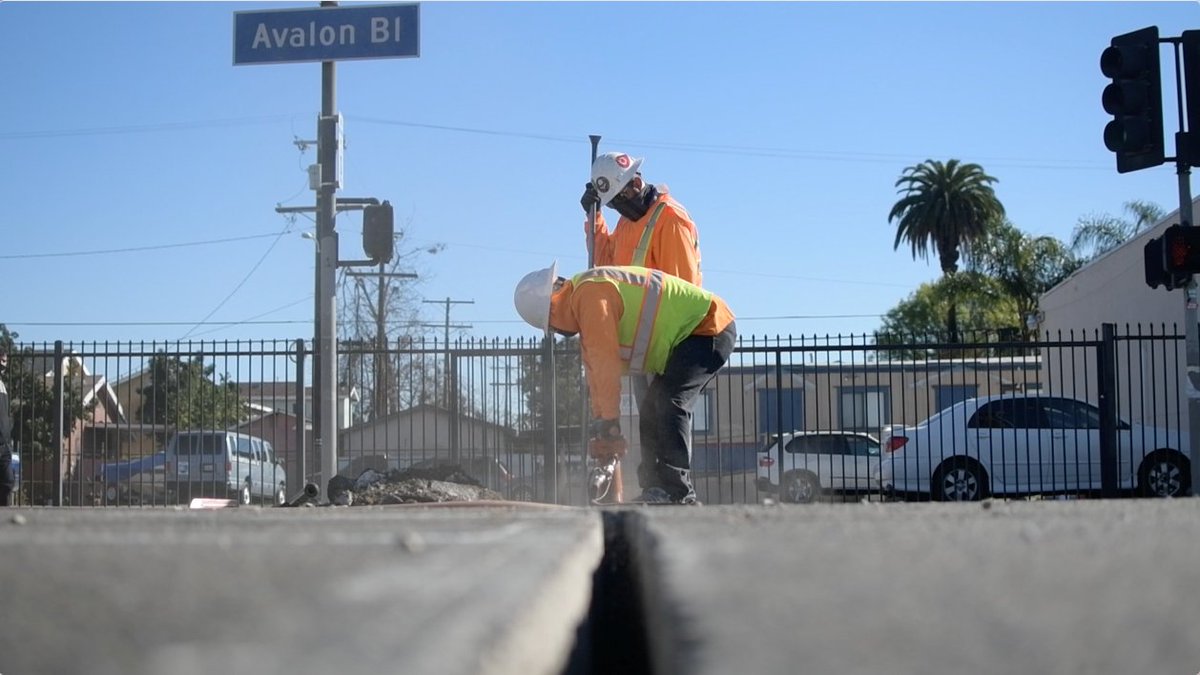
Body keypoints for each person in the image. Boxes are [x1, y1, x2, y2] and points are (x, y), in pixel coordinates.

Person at [514, 263, 736, 504]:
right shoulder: (584, 299)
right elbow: (596, 376)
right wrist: (603, 422)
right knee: (651, 408)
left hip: (708, 326)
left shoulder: (589, 296)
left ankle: (678, 493)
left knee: (670, 401)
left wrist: (610, 421)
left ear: (552, 309)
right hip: (691, 334)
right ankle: (655, 489)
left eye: (552, 325)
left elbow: (606, 366)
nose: (557, 331)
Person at [581, 152, 702, 286]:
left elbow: (681, 291)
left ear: (637, 184)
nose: (618, 207)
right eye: (611, 204)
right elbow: (607, 262)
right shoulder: (626, 221)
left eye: (619, 198)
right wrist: (594, 215)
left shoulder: (671, 219)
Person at [0, 349, 13, 507]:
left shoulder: (2, 384)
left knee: (8, 482)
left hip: (4, 443)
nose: (3, 365)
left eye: (5, 362)